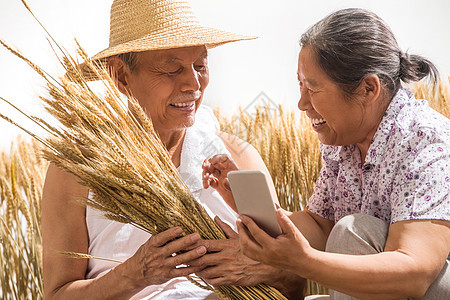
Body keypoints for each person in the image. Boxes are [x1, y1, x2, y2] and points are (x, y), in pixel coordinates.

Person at [41, 0, 306, 299]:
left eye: (201, 66)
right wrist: (134, 273)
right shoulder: (79, 169)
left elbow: (294, 284)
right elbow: (57, 294)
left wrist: (262, 270)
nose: (193, 83)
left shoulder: (237, 157)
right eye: (172, 69)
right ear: (122, 77)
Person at [205, 8, 450, 300]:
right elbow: (321, 225)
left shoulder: (425, 140)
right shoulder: (342, 143)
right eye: (300, 85)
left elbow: (415, 272)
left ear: (367, 89)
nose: (301, 103)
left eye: (312, 88)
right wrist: (261, 226)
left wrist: (303, 262)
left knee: (353, 233)